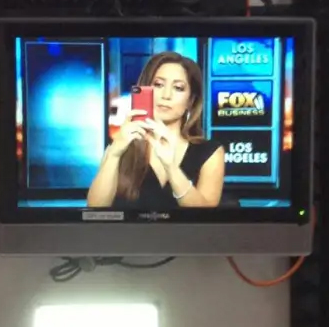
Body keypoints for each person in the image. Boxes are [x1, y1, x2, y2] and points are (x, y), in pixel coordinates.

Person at [87, 51, 225, 209]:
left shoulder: (210, 152)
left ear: (191, 100)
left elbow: (205, 217)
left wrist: (171, 168)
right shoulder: (122, 145)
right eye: (158, 85)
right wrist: (114, 153)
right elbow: (95, 209)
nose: (166, 95)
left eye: (178, 88)